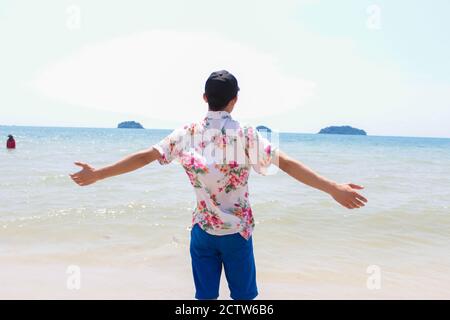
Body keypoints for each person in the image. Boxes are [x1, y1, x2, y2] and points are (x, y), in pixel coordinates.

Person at [70, 70, 368, 300]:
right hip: (237, 233)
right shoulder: (247, 135)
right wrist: (333, 188)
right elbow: (287, 164)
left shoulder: (186, 134)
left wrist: (98, 174)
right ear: (234, 100)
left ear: (205, 97)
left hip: (202, 233)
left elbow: (145, 157)